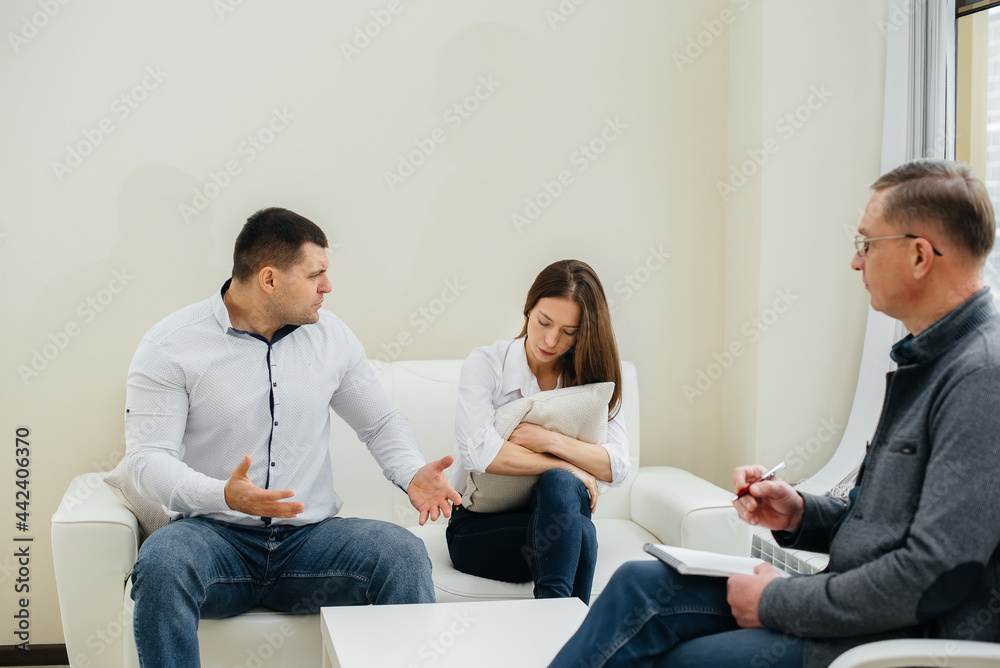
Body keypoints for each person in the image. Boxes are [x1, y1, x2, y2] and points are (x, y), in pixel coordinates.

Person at [548, 159, 1000, 668]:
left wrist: (775, 601)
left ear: (919, 256)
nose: (856, 262)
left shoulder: (982, 377)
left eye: (867, 244)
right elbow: (877, 525)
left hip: (893, 639)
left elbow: (935, 576)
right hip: (849, 604)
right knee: (639, 583)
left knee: (683, 659)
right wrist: (799, 512)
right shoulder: (927, 362)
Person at [125, 207, 461, 667]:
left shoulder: (332, 337)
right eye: (315, 274)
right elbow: (147, 460)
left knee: (402, 554)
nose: (328, 286)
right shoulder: (170, 345)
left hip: (309, 545)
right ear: (269, 279)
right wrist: (223, 495)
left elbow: (380, 422)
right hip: (214, 539)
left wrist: (410, 471)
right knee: (163, 562)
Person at [446, 259, 630, 604]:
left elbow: (616, 466)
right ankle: (567, 628)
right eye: (544, 322)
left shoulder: (593, 380)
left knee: (562, 490)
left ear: (584, 333)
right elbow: (478, 452)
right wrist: (568, 465)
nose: (550, 340)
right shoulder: (486, 364)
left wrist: (550, 441)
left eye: (568, 332)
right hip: (480, 529)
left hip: (556, 526)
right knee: (580, 527)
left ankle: (551, 618)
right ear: (528, 308)